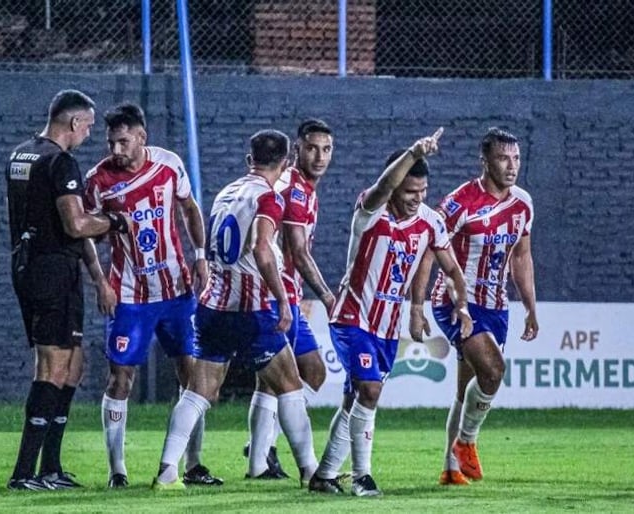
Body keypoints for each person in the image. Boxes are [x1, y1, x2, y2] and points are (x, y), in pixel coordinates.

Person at [308, 128, 473, 496]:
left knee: (355, 398)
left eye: (423, 193)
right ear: (396, 187)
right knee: (369, 390)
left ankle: (324, 475)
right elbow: (382, 187)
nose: (417, 199)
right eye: (410, 192)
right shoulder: (370, 210)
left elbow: (453, 270)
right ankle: (363, 476)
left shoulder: (430, 222)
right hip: (352, 318)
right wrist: (415, 151)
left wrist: (460, 305)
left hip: (385, 327)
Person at [152, 129, 319, 490]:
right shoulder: (270, 199)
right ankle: (311, 471)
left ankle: (167, 471)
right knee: (290, 385)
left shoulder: (226, 192)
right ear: (287, 163)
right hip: (251, 310)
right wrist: (282, 299)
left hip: (213, 305)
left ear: (250, 160)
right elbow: (261, 249)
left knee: (198, 392)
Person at [83, 102, 221, 488]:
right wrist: (101, 282)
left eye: (123, 141)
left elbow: (191, 210)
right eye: (111, 142)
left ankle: (191, 465)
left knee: (193, 376)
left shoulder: (168, 164)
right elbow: (84, 235)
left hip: (177, 291)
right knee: (120, 379)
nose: (116, 149)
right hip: (129, 296)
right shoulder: (98, 181)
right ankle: (117, 471)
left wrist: (200, 257)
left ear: (142, 137)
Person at [5, 89, 131, 491]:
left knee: (73, 366)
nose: (90, 133)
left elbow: (67, 227)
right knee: (52, 366)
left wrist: (97, 277)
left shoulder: (23, 154)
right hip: (51, 270)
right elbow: (76, 226)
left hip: (36, 264)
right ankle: (24, 473)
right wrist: (114, 222)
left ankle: (51, 468)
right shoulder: (61, 161)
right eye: (89, 126)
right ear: (74, 123)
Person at [409, 127, 539, 486]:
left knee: (464, 389)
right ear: (484, 160)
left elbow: (522, 257)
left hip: (497, 306)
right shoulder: (459, 202)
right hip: (454, 302)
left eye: (516, 158)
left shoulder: (522, 203)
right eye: (502, 158)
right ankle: (466, 443)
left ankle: (451, 469)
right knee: (494, 371)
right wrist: (416, 306)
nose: (511, 165)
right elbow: (427, 253)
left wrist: (530, 306)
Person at [245, 119, 336, 479]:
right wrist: (328, 295)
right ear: (296, 150)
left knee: (269, 381)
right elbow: (297, 251)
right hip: (276, 296)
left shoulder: (298, 188)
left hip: (274, 294)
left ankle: (259, 458)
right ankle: (281, 458)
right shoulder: (295, 190)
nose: (319, 156)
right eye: (312, 148)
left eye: (327, 149)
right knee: (312, 372)